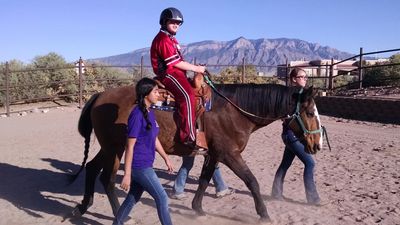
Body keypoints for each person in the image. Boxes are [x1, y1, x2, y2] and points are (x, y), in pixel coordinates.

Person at [113, 78, 174, 225]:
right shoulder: (136, 115)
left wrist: (166, 157)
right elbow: (130, 146)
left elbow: (154, 138)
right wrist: (127, 174)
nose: (158, 94)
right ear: (146, 94)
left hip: (146, 163)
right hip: (140, 166)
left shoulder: (149, 112)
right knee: (162, 198)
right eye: (155, 91)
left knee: (133, 197)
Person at [150, 7, 206, 149]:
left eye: (178, 23)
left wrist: (194, 68)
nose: (176, 25)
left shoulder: (171, 39)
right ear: (164, 22)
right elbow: (174, 63)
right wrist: (196, 69)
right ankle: (188, 136)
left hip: (177, 73)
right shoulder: (163, 39)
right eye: (172, 22)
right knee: (187, 96)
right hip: (168, 74)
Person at [271, 67, 321, 205]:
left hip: (292, 136)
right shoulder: (290, 96)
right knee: (310, 163)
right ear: (294, 79)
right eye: (302, 77)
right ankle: (313, 198)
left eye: (306, 77)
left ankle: (276, 192)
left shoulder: (300, 94)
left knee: (285, 164)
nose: (304, 79)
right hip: (291, 135)